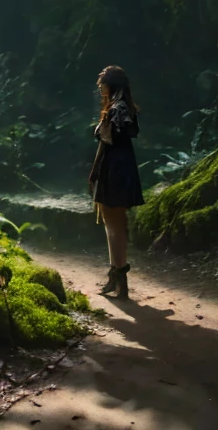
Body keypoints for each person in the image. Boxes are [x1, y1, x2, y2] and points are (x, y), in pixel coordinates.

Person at [88, 64, 143, 298]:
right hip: (122, 166)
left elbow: (107, 141)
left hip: (114, 168)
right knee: (115, 225)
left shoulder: (117, 109)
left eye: (104, 84)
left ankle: (119, 278)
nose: (102, 88)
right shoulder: (124, 108)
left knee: (114, 225)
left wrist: (95, 171)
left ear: (112, 85)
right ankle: (118, 277)